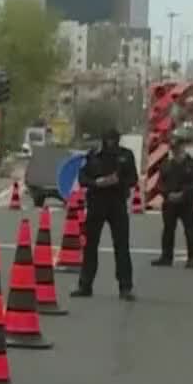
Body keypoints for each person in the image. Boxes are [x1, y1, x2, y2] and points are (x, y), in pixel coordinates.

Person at [73, 127, 138, 300]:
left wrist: (118, 181)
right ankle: (85, 284)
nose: (110, 143)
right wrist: (96, 182)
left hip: (117, 203)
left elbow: (133, 179)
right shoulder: (93, 155)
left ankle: (125, 287)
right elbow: (82, 178)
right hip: (97, 203)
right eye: (108, 140)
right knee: (90, 245)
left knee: (122, 246)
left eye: (113, 140)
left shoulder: (126, 155)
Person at [154, 137, 193, 269]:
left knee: (190, 230)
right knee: (168, 230)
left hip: (186, 202)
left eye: (177, 148)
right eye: (173, 149)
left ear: (183, 147)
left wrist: (182, 194)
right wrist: (167, 194)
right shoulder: (166, 165)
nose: (175, 151)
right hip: (170, 202)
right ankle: (166, 257)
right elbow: (159, 184)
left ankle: (192, 258)